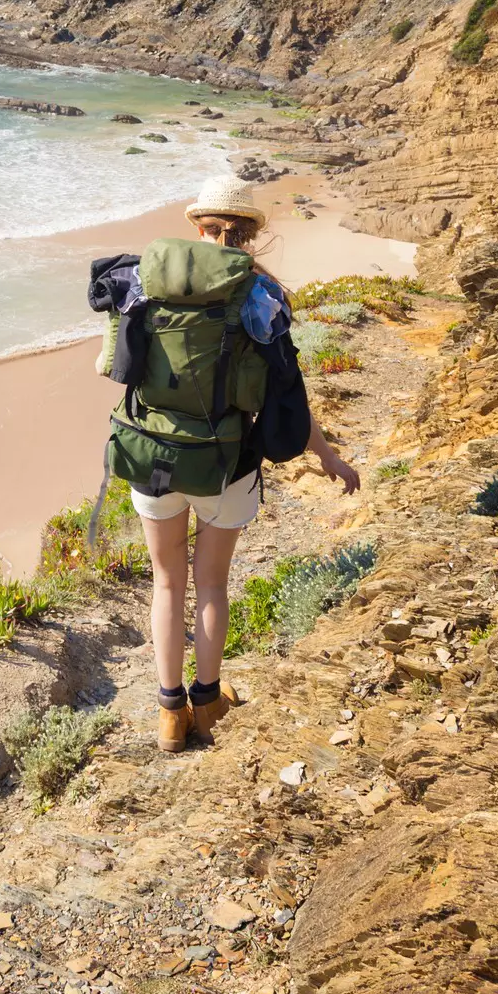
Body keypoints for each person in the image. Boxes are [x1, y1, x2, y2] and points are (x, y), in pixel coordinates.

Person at [99, 174, 361, 753]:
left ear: (197, 227)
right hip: (225, 462)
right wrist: (327, 456)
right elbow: (285, 395)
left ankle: (170, 714)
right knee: (212, 582)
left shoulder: (142, 281)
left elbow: (114, 366)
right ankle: (208, 698)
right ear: (247, 236)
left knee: (166, 582)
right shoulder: (261, 298)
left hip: (151, 454)